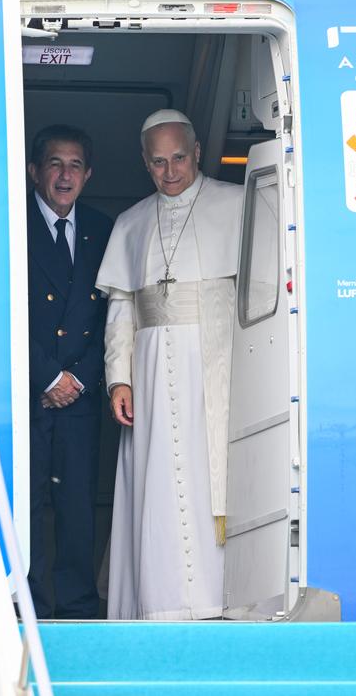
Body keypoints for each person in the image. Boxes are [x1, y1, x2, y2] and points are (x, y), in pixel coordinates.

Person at [96, 109, 242, 620]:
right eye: (158, 162)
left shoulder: (238, 204)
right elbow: (120, 310)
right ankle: (161, 602)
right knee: (157, 482)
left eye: (179, 157)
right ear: (145, 162)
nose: (171, 171)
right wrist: (119, 377)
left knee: (211, 474)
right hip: (153, 371)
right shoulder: (130, 223)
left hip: (218, 365)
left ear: (197, 151)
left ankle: (220, 597)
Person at [25, 124, 112, 619]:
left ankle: (79, 607)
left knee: (79, 505)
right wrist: (47, 377)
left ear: (88, 174)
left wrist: (79, 378)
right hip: (32, 392)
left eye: (75, 164)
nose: (65, 174)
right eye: (55, 164)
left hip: (79, 394)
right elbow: (5, 308)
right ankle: (32, 605)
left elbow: (115, 314)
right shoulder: (13, 225)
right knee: (30, 501)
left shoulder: (104, 227)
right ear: (35, 171)